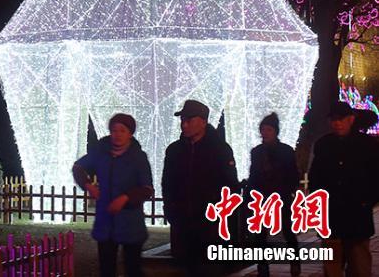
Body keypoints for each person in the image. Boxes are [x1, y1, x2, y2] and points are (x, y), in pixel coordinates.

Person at [161, 99, 238, 277]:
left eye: (189, 120)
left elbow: (230, 185)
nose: (184, 124)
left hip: (211, 222)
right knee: (188, 266)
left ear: (203, 122)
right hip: (183, 219)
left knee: (209, 268)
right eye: (182, 120)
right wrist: (170, 210)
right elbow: (167, 183)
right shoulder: (174, 150)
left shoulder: (220, 149)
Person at [72, 113, 153, 277]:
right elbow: (78, 167)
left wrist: (125, 198)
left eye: (122, 131)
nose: (118, 134)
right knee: (106, 268)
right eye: (114, 130)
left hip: (130, 219)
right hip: (106, 218)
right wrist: (88, 185)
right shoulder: (101, 153)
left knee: (133, 267)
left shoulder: (138, 157)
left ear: (130, 133)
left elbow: (147, 188)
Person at [308, 101, 379, 277]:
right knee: (332, 265)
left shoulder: (367, 145)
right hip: (332, 215)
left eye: (341, 119)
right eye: (333, 119)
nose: (337, 123)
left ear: (351, 119)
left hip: (357, 214)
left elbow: (376, 177)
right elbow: (316, 177)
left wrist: (367, 201)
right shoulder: (323, 144)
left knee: (359, 264)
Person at [246, 112, 301, 277]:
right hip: (262, 198)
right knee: (260, 235)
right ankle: (263, 268)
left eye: (268, 129)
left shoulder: (286, 151)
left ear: (275, 131)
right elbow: (253, 175)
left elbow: (293, 174)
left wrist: (288, 190)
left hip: (281, 197)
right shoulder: (257, 152)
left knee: (287, 231)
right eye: (263, 129)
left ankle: (294, 261)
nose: (265, 132)